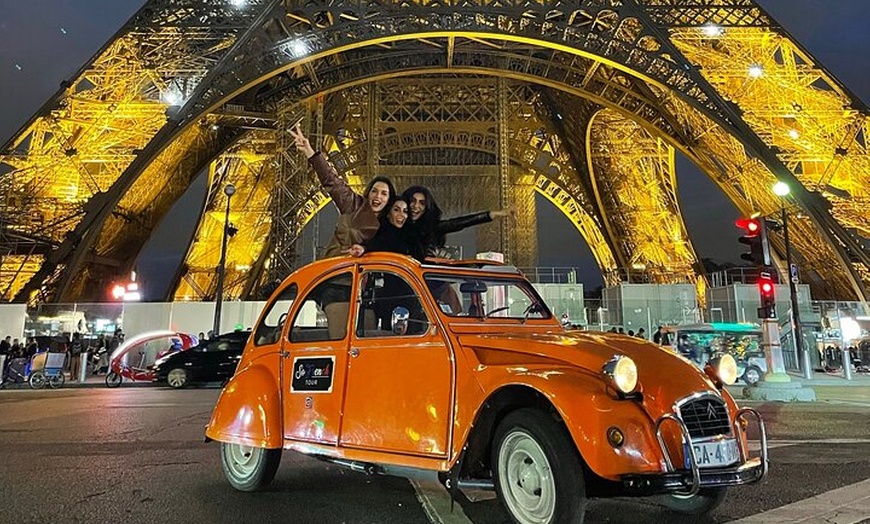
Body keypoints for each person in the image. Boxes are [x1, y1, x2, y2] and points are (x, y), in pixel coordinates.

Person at [291, 124, 396, 258]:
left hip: (364, 275)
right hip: (335, 270)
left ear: (389, 199)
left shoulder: (389, 225)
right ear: (368, 193)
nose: (378, 196)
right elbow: (331, 181)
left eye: (384, 193)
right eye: (374, 191)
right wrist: (309, 152)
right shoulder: (353, 205)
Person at [401, 185, 513, 258]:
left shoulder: (431, 228)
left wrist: (494, 214)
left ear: (427, 207)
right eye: (412, 201)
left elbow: (459, 223)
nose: (416, 206)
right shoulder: (395, 228)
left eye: (422, 203)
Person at [349, 196, 421, 259]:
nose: (401, 214)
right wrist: (362, 249)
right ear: (388, 214)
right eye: (396, 210)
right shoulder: (379, 232)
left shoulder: (411, 235)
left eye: (405, 211)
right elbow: (374, 244)